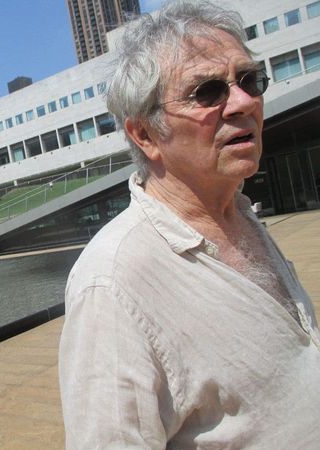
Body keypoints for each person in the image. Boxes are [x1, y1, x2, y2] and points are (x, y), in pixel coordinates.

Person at [58, 1, 320, 448]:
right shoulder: (112, 283)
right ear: (145, 134)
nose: (243, 103)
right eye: (207, 92)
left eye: (249, 80)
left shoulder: (240, 215)